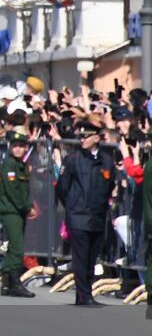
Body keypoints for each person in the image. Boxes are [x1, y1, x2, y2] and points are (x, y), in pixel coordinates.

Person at [57, 121, 116, 306]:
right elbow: (62, 188)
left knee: (91, 257)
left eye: (86, 136)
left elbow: (108, 187)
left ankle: (84, 293)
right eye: (80, 136)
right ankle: (84, 295)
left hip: (97, 216)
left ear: (97, 137)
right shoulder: (73, 159)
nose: (82, 139)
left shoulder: (107, 161)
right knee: (81, 257)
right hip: (79, 216)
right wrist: (73, 207)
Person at [0, 129, 36, 297]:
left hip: (16, 211)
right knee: (17, 248)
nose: (18, 149)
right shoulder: (10, 164)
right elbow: (14, 191)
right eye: (15, 146)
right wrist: (27, 207)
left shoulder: (20, 165)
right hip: (12, 210)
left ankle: (6, 284)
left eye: (21, 146)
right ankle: (14, 283)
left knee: (14, 247)